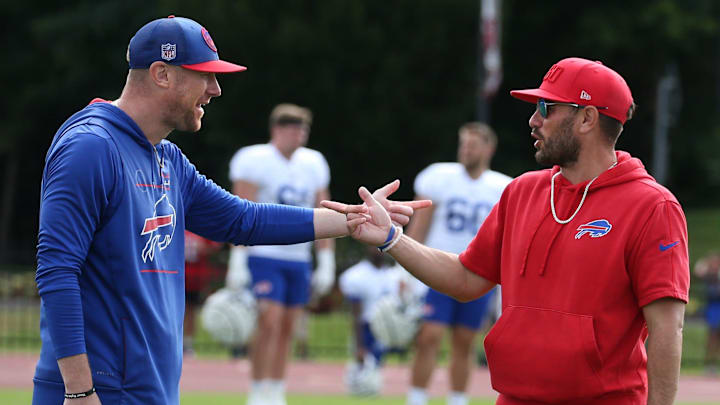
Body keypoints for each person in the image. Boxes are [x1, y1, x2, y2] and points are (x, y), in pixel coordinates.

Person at [32, 15, 428, 405]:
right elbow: (56, 269)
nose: (215, 89)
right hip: (97, 392)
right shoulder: (91, 147)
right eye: (204, 74)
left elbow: (244, 219)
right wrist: (80, 391)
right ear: (161, 73)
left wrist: (353, 220)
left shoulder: (166, 158)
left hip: (147, 388)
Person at [324, 57, 690, 405]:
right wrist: (392, 240)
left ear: (587, 119)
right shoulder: (521, 191)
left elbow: (667, 329)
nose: (533, 120)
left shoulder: (652, 207)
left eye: (547, 108)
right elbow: (467, 278)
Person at [226, 103, 335, 405]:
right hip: (264, 253)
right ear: (277, 129)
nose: (299, 135)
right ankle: (257, 389)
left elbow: (322, 210)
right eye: (292, 128)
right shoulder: (254, 160)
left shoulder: (313, 163)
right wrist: (237, 261)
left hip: (298, 257)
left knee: (289, 325)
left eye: (303, 129)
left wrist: (325, 260)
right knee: (269, 321)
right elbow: (240, 212)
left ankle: (276, 388)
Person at [405, 122, 511, 405]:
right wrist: (404, 271)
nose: (466, 150)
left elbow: (505, 241)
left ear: (489, 149)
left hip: (478, 272)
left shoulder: (502, 186)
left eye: (472, 145)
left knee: (465, 340)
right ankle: (416, 398)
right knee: (429, 335)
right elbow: (419, 227)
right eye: (463, 144)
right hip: (438, 267)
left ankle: (457, 399)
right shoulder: (439, 177)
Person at [183, 230, 222, 356]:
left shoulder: (198, 227)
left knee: (191, 310)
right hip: (176, 276)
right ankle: (173, 343)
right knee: (174, 311)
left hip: (195, 277)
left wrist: (203, 248)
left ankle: (188, 343)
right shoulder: (174, 223)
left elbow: (215, 245)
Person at [694, 252, 720, 375]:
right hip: (713, 309)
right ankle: (709, 365)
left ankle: (714, 364)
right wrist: (706, 260)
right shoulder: (710, 276)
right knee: (712, 337)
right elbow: (698, 270)